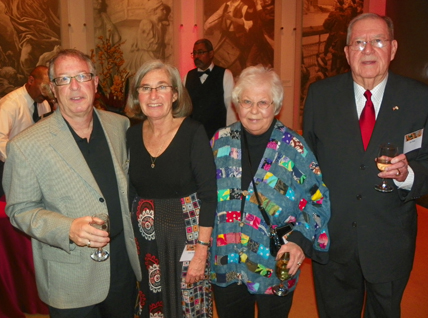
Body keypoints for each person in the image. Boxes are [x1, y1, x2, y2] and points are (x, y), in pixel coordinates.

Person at [303, 13, 428, 318]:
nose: (368, 49)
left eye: (378, 41)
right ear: (346, 53)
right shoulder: (320, 97)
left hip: (389, 241)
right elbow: (308, 168)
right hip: (334, 239)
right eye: (359, 42)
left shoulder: (420, 100)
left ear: (393, 49)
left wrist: (408, 175)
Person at [3, 49, 141, 317]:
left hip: (122, 268)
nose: (75, 87)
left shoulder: (120, 126)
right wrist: (67, 228)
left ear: (96, 82)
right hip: (69, 276)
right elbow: (19, 209)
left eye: (82, 76)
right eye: (64, 80)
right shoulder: (25, 145)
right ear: (53, 89)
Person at [210, 65, 331, 318]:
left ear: (276, 106)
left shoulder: (294, 149)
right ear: (236, 104)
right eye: (247, 102)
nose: (254, 110)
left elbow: (318, 200)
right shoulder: (219, 141)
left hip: (275, 264)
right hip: (226, 260)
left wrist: (299, 241)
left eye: (263, 102)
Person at [126, 60, 217, 317]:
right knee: (152, 303)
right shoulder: (130, 136)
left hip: (186, 240)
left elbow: (209, 197)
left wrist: (201, 251)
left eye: (162, 87)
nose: (153, 95)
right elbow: (130, 192)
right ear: (137, 96)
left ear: (175, 94)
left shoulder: (193, 133)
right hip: (145, 243)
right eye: (145, 88)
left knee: (186, 307)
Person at [0, 65, 52, 197]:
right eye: (44, 87)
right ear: (31, 81)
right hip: (7, 166)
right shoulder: (10, 104)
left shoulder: (43, 104)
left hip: (31, 167)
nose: (46, 93)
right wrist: (20, 162)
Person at [184, 38, 237, 139]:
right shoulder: (188, 76)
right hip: (193, 136)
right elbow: (184, 109)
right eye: (194, 53)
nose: (196, 56)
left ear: (211, 53)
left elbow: (231, 109)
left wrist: (231, 136)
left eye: (200, 52)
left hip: (218, 136)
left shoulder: (225, 75)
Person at [204, 0, 253, 74]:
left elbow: (249, 23)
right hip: (227, 35)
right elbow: (217, 15)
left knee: (240, 60)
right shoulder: (226, 5)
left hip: (239, 37)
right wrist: (206, 26)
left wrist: (232, 19)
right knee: (226, 59)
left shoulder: (243, 6)